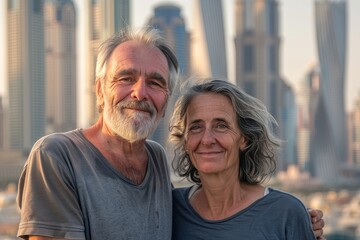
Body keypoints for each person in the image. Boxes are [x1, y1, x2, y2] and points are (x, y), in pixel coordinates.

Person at [16, 27, 324, 240]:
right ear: (99, 90)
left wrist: (294, 220)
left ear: (165, 100)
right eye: (126, 77)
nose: (140, 92)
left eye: (155, 82)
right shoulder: (56, 155)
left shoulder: (156, 160)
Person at [169, 78, 324, 239]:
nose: (207, 140)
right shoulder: (170, 207)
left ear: (245, 139)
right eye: (196, 127)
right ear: (185, 140)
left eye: (221, 126)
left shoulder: (286, 213)